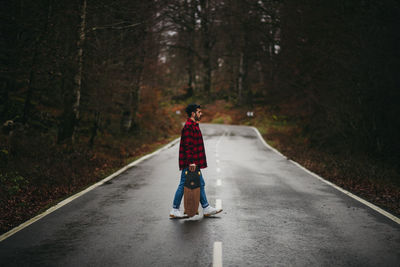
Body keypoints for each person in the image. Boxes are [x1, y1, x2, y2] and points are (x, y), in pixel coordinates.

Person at [170, 104, 223, 218]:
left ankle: (206, 207)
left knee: (200, 184)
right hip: (190, 163)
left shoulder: (194, 125)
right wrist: (191, 162)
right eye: (199, 112)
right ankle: (175, 209)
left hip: (194, 162)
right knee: (183, 184)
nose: (201, 113)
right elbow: (188, 146)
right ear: (193, 113)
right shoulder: (189, 126)